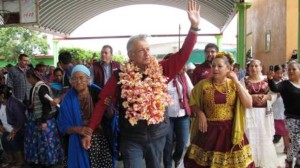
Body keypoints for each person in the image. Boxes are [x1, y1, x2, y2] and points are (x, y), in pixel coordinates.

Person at [82, 1, 200, 167]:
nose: (147, 53)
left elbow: (182, 56)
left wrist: (194, 28)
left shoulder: (160, 70)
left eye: (148, 49)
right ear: (131, 55)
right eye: (142, 50)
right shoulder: (119, 77)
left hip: (158, 135)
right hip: (131, 138)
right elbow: (102, 103)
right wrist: (89, 131)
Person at [184, 52, 254, 168]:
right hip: (208, 130)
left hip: (230, 131)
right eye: (213, 66)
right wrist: (200, 113)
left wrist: (236, 81)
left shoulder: (234, 85)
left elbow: (248, 104)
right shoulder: (203, 85)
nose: (215, 69)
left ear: (228, 68)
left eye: (219, 66)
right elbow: (192, 102)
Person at [57, 65, 112, 168]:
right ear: (70, 81)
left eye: (81, 78)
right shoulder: (67, 99)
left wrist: (108, 107)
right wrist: (78, 129)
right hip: (75, 141)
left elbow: (109, 117)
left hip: (98, 141)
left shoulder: (97, 93)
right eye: (74, 78)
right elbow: (62, 125)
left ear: (88, 79)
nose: (78, 81)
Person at [241, 59, 278, 167]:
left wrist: (267, 97)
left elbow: (276, 93)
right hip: (249, 113)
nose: (254, 68)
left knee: (264, 136)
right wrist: (251, 97)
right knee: (249, 136)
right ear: (248, 68)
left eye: (256, 66)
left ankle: (263, 162)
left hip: (264, 115)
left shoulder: (267, 80)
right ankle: (251, 162)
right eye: (251, 66)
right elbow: (239, 95)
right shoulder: (244, 80)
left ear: (261, 67)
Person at [24, 69, 64, 167]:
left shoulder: (41, 88)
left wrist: (44, 121)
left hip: (45, 119)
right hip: (40, 118)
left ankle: (49, 161)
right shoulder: (37, 87)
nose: (27, 80)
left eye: (28, 78)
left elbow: (46, 105)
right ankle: (43, 160)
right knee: (42, 141)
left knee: (46, 141)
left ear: (32, 77)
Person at [162, 54, 194, 168]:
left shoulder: (183, 75)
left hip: (183, 115)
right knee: (168, 144)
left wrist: (196, 107)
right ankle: (168, 166)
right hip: (167, 117)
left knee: (183, 142)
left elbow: (191, 92)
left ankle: (176, 158)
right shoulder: (161, 77)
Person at [267, 60, 300, 168]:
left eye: (294, 69)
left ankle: (291, 161)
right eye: (289, 69)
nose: (291, 71)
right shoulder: (285, 84)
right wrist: (270, 79)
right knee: (297, 143)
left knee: (295, 143)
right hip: (291, 118)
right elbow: (274, 88)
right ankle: (294, 162)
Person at [0, 85, 26, 168]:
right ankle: (11, 160)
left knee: (12, 140)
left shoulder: (14, 104)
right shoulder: (1, 103)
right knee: (4, 139)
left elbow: (21, 120)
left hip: (18, 129)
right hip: (6, 128)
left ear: (2, 96)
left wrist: (13, 132)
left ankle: (20, 161)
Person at [270, 65, 290, 153]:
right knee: (271, 131)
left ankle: (287, 148)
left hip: (282, 111)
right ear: (273, 73)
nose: (280, 75)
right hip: (272, 111)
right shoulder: (269, 83)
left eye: (281, 73)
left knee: (285, 132)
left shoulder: (284, 82)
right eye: (277, 73)